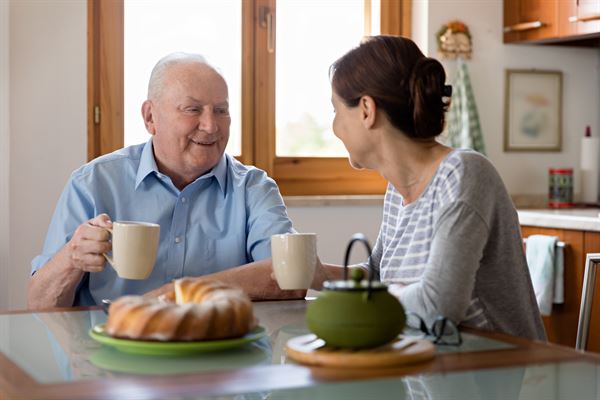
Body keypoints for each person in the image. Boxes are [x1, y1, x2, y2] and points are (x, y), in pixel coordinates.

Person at [28, 53, 302, 309]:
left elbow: (290, 275)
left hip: (222, 352)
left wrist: (175, 293)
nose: (211, 125)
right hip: (110, 353)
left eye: (221, 110)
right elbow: (38, 306)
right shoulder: (93, 183)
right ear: (150, 117)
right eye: (193, 109)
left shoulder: (254, 187)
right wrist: (70, 259)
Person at [325, 35, 546, 340]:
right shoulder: (396, 192)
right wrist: (316, 274)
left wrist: (387, 293)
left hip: (501, 374)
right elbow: (376, 275)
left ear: (366, 110)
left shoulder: (464, 174)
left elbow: (437, 307)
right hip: (433, 372)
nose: (334, 126)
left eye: (336, 111)